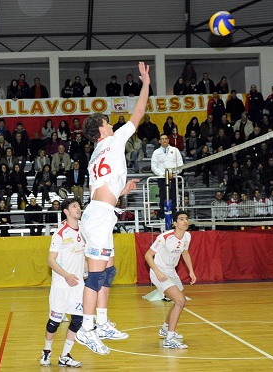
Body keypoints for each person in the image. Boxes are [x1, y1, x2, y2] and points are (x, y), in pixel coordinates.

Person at [75, 61, 150, 355]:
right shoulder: (114, 139)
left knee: (108, 270)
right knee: (95, 277)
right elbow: (140, 113)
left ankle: (102, 323)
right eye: (108, 121)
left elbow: (102, 188)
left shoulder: (96, 154)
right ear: (102, 129)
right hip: (98, 217)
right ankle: (86, 329)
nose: (112, 123)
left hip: (103, 213)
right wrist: (144, 83)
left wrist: (123, 189)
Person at [39, 198, 85, 367]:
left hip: (78, 286)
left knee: (77, 321)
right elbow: (51, 260)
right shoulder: (60, 233)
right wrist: (66, 275)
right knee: (54, 323)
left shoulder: (84, 231)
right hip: (61, 286)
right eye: (74, 206)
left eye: (79, 206)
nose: (78, 208)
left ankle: (65, 355)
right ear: (66, 211)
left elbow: (83, 255)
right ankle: (46, 351)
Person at [144, 210, 196, 349]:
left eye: (186, 219)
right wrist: (157, 272)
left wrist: (191, 271)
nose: (185, 221)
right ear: (174, 223)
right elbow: (148, 256)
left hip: (172, 271)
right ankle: (169, 338)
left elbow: (185, 253)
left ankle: (165, 328)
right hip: (159, 272)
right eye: (181, 219)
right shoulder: (164, 237)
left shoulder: (187, 236)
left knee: (181, 301)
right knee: (179, 301)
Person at [151, 134, 184, 219]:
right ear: (159, 141)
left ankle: (174, 215)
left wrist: (174, 173)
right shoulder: (156, 152)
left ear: (168, 140)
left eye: (165, 139)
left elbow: (180, 164)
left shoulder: (175, 150)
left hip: (173, 177)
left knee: (173, 195)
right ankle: (162, 215)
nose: (164, 140)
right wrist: (162, 174)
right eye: (162, 139)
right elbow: (153, 166)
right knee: (163, 196)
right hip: (162, 178)